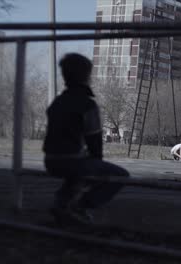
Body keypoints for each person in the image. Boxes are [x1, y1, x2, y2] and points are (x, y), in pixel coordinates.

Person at [43, 53, 130, 225]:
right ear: (86, 76)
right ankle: (79, 206)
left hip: (51, 160)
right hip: (71, 161)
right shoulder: (87, 104)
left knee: (78, 170)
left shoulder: (57, 102)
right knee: (121, 175)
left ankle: (61, 203)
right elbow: (94, 142)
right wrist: (95, 167)